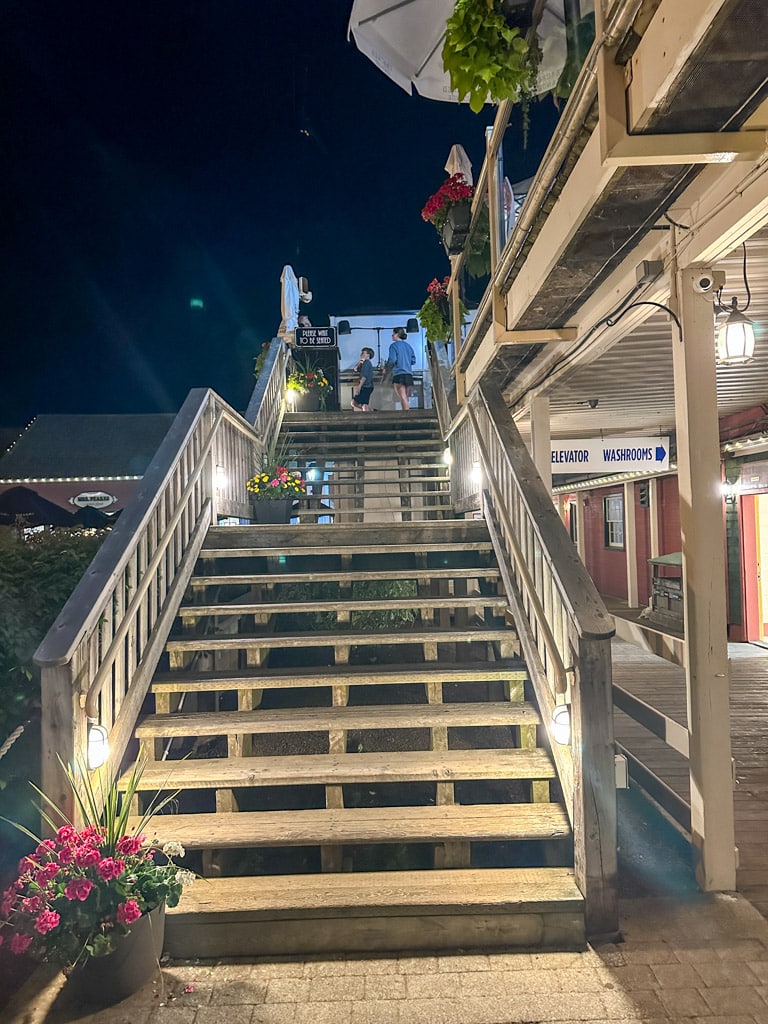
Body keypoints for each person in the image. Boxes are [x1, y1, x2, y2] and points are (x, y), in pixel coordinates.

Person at [385, 327, 416, 411]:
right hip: (408, 374)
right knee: (406, 397)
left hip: (399, 374)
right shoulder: (408, 346)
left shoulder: (393, 346)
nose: (392, 336)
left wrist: (386, 368)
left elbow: (392, 360)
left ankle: (406, 415)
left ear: (397, 334)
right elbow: (413, 361)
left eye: (393, 334)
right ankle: (406, 411)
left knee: (402, 397)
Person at [351, 347, 375, 412]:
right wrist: (360, 362)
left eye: (363, 353)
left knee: (364, 403)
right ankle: (370, 410)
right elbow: (355, 369)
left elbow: (364, 376)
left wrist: (359, 387)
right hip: (365, 386)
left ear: (368, 355)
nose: (361, 354)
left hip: (366, 386)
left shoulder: (367, 363)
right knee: (354, 402)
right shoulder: (364, 363)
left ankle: (367, 414)